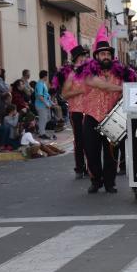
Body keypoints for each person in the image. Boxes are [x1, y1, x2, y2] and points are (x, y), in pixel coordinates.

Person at [80, 26, 129, 194]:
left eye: (108, 54)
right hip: (92, 116)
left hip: (112, 118)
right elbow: (99, 85)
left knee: (111, 154)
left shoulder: (121, 73)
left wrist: (127, 89)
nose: (106, 56)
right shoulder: (87, 72)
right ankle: (96, 180)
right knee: (91, 152)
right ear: (96, 56)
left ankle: (110, 182)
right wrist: (121, 88)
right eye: (102, 54)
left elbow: (129, 89)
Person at [59, 30, 90, 179]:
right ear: (78, 57)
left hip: (90, 109)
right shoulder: (69, 74)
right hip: (76, 110)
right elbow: (64, 94)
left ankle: (92, 167)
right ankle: (79, 167)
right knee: (79, 140)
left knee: (91, 140)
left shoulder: (89, 72)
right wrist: (79, 91)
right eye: (83, 56)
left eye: (86, 56)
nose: (86, 58)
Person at [34, 70, 52, 139]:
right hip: (41, 105)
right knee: (43, 119)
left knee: (48, 118)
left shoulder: (43, 83)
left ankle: (39, 127)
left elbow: (46, 94)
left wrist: (50, 102)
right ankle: (42, 133)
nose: (47, 77)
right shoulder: (39, 84)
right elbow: (40, 96)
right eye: (47, 75)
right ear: (44, 76)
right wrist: (46, 104)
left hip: (45, 105)